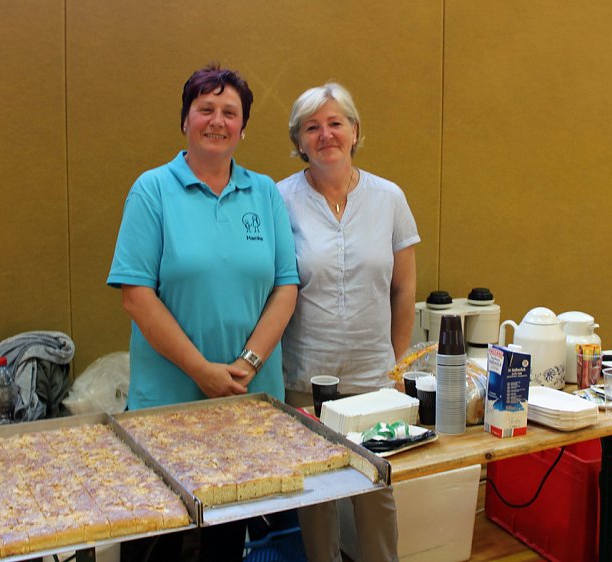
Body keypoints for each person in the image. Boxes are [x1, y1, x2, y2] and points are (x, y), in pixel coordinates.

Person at [107, 64, 299, 562]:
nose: (217, 120)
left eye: (229, 112)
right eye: (206, 109)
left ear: (243, 127)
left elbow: (285, 286)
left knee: (227, 541)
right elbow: (136, 295)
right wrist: (201, 371)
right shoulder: (152, 191)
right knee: (159, 541)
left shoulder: (264, 194)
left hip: (247, 402)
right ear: (185, 120)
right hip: (168, 406)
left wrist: (248, 364)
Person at [278, 82, 420, 562]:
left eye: (336, 123)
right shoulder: (279, 200)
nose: (326, 135)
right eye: (312, 128)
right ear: (298, 141)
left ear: (355, 131)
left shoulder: (389, 198)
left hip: (373, 378)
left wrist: (393, 364)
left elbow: (404, 290)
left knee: (376, 494)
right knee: (316, 498)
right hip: (305, 378)